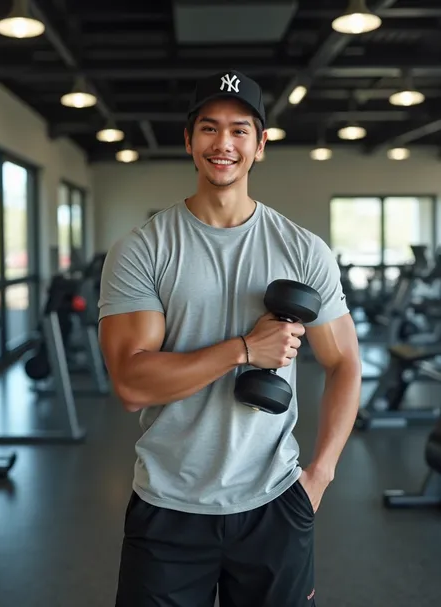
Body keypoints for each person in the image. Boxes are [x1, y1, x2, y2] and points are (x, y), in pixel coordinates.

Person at [98, 69, 361, 607]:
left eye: (240, 130)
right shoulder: (144, 249)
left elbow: (346, 363)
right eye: (210, 129)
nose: (224, 144)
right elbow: (131, 383)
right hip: (168, 507)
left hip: (275, 503)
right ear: (189, 140)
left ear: (260, 145)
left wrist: (319, 477)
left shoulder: (303, 250)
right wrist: (244, 350)